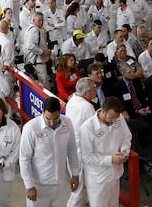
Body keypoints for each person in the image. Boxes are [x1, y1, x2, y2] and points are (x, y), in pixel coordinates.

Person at [19, 96, 80, 207]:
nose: (52, 123)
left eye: (56, 118)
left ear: (60, 113)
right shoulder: (31, 128)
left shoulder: (67, 123)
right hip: (39, 185)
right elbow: (24, 159)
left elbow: (72, 150)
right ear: (43, 112)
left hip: (60, 183)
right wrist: (29, 186)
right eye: (48, 119)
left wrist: (75, 174)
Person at [78, 96, 132, 207]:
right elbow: (87, 157)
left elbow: (126, 137)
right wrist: (110, 159)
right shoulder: (87, 128)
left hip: (115, 175)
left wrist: (124, 150)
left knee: (114, 204)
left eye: (116, 118)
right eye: (111, 118)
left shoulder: (118, 118)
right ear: (103, 111)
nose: (113, 121)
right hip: (98, 179)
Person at [65, 78, 97, 207]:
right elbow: (95, 131)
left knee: (80, 186)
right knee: (78, 190)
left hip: (71, 149)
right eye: (94, 88)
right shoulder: (87, 107)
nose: (96, 90)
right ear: (86, 93)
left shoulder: (72, 100)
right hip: (80, 151)